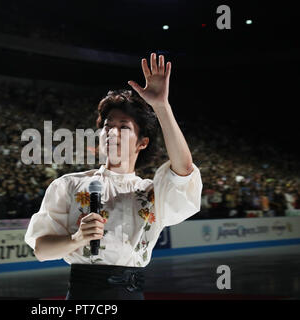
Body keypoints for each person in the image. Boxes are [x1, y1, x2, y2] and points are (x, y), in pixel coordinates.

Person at [24, 53, 203, 300]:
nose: (112, 132)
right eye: (107, 127)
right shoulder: (68, 185)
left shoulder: (151, 193)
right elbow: (42, 250)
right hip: (83, 295)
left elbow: (184, 170)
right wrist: (77, 238)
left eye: (124, 127)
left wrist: (162, 106)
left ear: (142, 142)